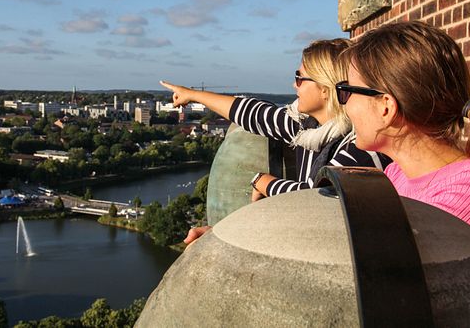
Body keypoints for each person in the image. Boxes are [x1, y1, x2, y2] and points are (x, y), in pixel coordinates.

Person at [161, 39, 388, 244]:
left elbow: (318, 198)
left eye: (299, 78)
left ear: (326, 89)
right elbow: (253, 113)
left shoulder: (360, 143)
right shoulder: (308, 128)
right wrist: (190, 94)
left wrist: (264, 182)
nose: (294, 85)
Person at [340, 21, 470, 237]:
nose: (345, 105)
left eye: (347, 91)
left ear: (386, 107)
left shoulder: (467, 195)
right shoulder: (396, 174)